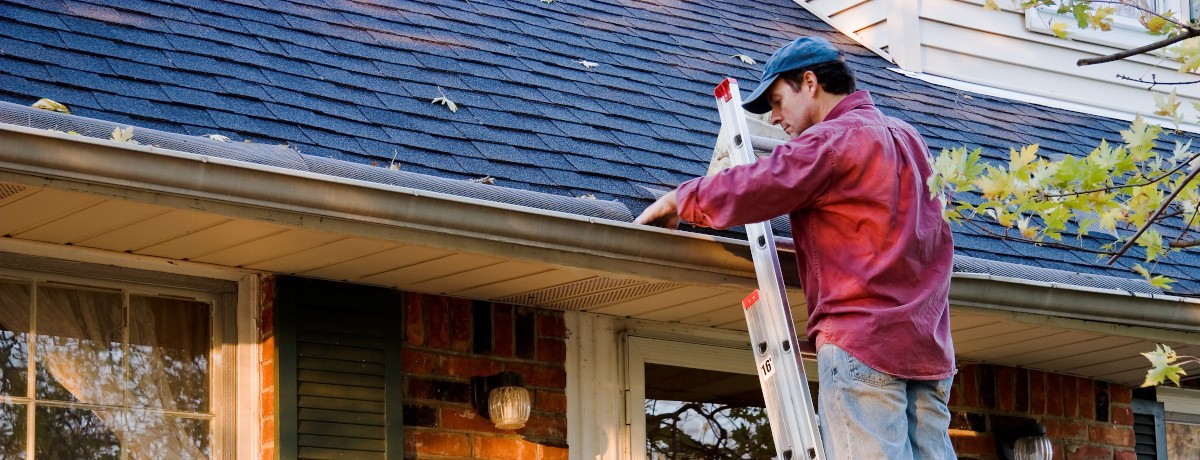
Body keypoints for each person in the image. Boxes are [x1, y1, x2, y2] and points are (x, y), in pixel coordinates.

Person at [634, 36, 957, 459]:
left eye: (777, 100)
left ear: (809, 83)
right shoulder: (910, 140)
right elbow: (938, 237)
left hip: (863, 343)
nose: (773, 116)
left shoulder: (832, 141)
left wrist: (681, 199)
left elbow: (764, 182)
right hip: (928, 349)